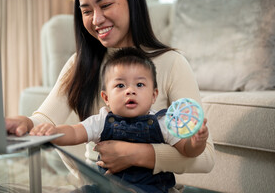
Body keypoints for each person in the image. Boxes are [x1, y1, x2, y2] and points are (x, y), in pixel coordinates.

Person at [0, 0, 215, 192]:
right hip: (90, 188)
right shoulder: (80, 63)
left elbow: (204, 158)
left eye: (105, 5)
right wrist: (26, 123)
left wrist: (132, 154)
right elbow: (47, 120)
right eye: (86, 11)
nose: (96, 19)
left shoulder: (171, 63)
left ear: (131, 0)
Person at [32, 48, 209, 193]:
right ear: (106, 98)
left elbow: (187, 150)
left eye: (139, 85)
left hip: (150, 189)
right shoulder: (102, 121)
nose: (130, 91)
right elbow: (76, 132)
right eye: (120, 85)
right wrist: (53, 133)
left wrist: (197, 142)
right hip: (107, 187)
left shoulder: (162, 123)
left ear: (154, 95)